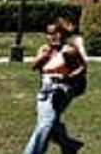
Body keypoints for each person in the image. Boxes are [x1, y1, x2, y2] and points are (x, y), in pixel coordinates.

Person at [21, 20, 86, 154]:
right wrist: (43, 57)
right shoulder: (44, 49)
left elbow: (82, 68)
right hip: (44, 91)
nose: (53, 36)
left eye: (56, 33)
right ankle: (70, 146)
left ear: (62, 34)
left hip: (61, 90)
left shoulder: (69, 50)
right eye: (49, 33)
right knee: (51, 124)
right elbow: (34, 66)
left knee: (45, 125)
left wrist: (66, 77)